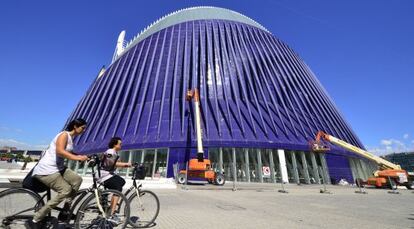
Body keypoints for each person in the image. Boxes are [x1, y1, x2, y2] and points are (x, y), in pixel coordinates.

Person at [25, 118, 88, 228]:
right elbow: (60, 151)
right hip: (47, 169)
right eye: (83, 128)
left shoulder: (71, 138)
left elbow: (68, 151)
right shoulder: (64, 134)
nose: (84, 130)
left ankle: (65, 211)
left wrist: (82, 156)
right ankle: (35, 219)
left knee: (77, 180)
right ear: (75, 126)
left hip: (58, 168)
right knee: (65, 190)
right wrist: (77, 158)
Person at [96, 137, 131, 223]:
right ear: (115, 144)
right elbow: (113, 163)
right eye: (120, 144)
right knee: (118, 188)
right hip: (103, 176)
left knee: (121, 182)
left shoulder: (114, 152)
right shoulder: (110, 152)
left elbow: (117, 163)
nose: (121, 145)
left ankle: (110, 204)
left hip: (108, 174)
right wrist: (127, 164)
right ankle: (111, 213)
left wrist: (126, 164)